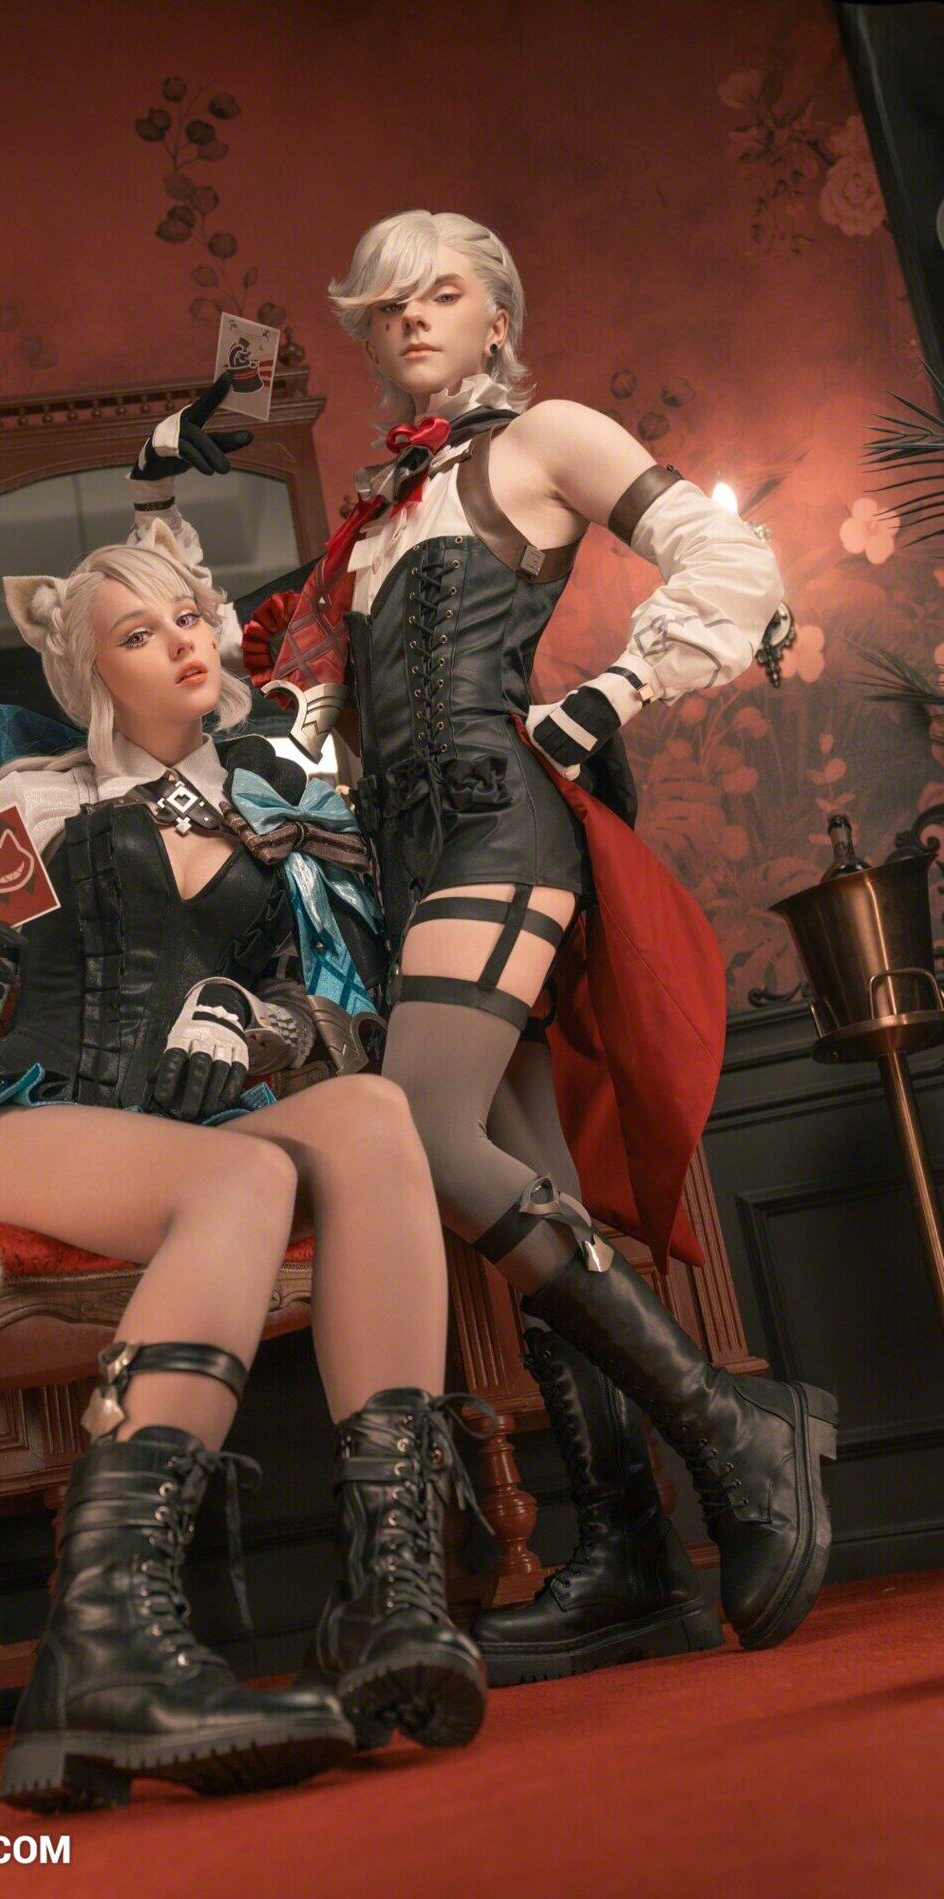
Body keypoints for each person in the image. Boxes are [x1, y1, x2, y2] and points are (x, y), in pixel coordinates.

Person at [157, 211, 838, 1683]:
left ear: (495, 315)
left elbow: (729, 556)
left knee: (419, 1129)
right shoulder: (376, 512)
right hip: (406, 858)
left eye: (441, 292)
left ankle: (738, 1430)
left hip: (498, 825)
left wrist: (605, 697)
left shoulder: (548, 438)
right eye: (384, 304)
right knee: (521, 1190)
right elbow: (322, 716)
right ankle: (633, 1556)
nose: (410, 318)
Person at [0, 473, 491, 1813]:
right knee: (248, 1173)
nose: (183, 641)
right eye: (138, 633)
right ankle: (105, 1644)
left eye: (190, 615)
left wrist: (254, 1024)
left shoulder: (285, 791)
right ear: (86, 669)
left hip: (183, 1128)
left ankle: (390, 1591)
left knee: (371, 1114)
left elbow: (344, 1000)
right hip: (15, 1112)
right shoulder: (30, 798)